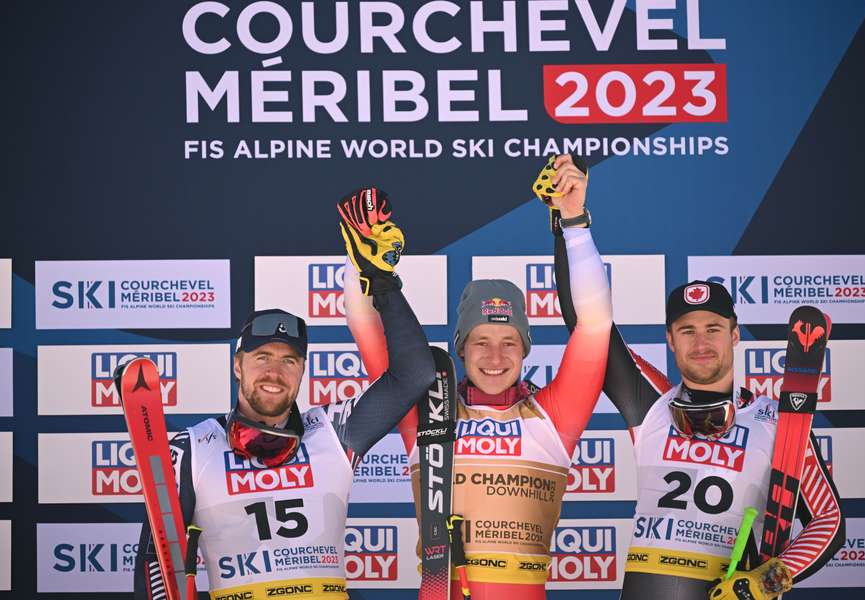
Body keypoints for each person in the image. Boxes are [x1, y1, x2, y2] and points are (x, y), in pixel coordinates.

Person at [133, 188, 435, 600]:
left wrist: (380, 279)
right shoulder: (191, 448)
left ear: (302, 372)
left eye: (289, 361)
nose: (274, 372)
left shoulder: (332, 431)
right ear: (237, 365)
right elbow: (155, 561)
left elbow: (415, 373)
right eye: (261, 358)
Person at [344, 155, 613, 600]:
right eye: (479, 341)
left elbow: (595, 323)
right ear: (461, 348)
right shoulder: (427, 407)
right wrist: (364, 261)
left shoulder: (553, 416)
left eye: (509, 341)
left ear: (525, 349)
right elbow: (365, 325)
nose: (494, 355)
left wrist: (575, 223)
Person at [554, 226, 845, 599]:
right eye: (687, 330)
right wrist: (570, 222)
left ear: (735, 335)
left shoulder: (777, 420)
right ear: (670, 340)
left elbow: (827, 520)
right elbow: (587, 325)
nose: (701, 342)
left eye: (713, 328)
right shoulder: (652, 404)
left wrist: (763, 582)